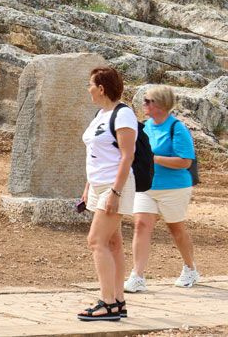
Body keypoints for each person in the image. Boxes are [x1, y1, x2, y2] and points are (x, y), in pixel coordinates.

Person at [124, 86, 199, 292]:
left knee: (176, 229)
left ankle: (190, 268)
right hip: (147, 186)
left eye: (148, 101)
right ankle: (137, 275)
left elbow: (185, 162)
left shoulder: (177, 128)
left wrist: (154, 158)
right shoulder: (145, 127)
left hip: (174, 188)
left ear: (160, 104)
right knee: (141, 226)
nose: (144, 104)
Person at [78, 66, 137, 322]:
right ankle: (118, 301)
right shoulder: (100, 114)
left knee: (96, 241)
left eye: (90, 85)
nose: (88, 90)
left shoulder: (123, 115)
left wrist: (115, 191)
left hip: (116, 185)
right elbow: (96, 154)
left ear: (101, 88)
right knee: (113, 243)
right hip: (99, 184)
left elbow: (127, 156)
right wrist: (88, 185)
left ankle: (107, 303)